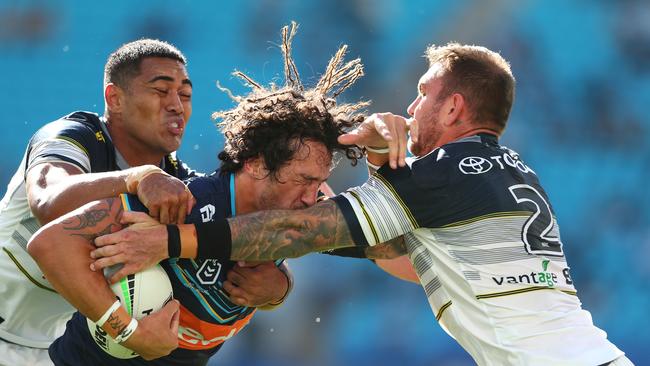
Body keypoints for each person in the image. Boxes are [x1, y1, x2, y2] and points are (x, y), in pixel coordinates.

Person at [91, 42, 632, 365]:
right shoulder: (506, 169)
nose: (412, 104)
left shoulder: (443, 175)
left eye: (424, 93)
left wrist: (168, 242)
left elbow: (304, 232)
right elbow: (399, 255)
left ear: (454, 107)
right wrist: (362, 148)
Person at [27, 23, 385, 365]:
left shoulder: (297, 215)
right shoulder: (178, 203)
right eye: (303, 180)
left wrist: (279, 289)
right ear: (257, 165)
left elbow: (392, 247)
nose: (315, 197)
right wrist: (129, 331)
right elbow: (49, 244)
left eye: (318, 181)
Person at [0, 38, 290, 365]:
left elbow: (233, 232)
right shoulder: (72, 137)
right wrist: (135, 178)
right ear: (115, 98)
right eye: (160, 90)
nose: (176, 105)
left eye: (185, 94)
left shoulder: (177, 184)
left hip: (49, 350)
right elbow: (48, 201)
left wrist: (279, 287)